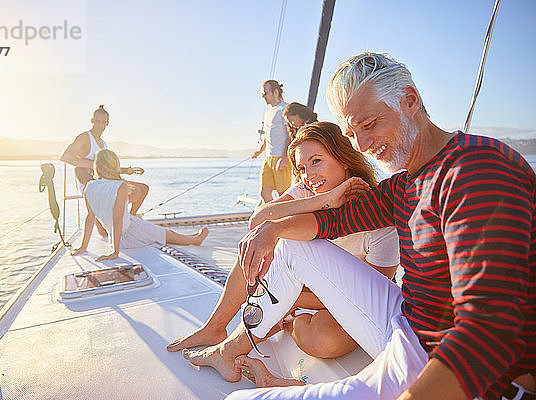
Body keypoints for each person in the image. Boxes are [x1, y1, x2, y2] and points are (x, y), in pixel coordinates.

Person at [183, 52, 535, 400]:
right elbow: (333, 221)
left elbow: (488, 331)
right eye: (352, 135)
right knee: (292, 241)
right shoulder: (407, 182)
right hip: (409, 321)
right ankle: (230, 346)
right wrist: (272, 229)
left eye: (370, 125)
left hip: (449, 360)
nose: (364, 146)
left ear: (409, 100)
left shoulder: (477, 171)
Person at [170, 122, 399, 364]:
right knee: (255, 242)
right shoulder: (307, 190)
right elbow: (258, 220)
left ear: (344, 159)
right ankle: (215, 327)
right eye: (301, 168)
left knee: (322, 341)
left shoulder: (379, 218)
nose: (308, 176)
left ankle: (286, 322)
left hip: (348, 300)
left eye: (316, 161)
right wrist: (325, 199)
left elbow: (370, 300)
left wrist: (292, 299)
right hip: (305, 286)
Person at [71, 149, 208, 261]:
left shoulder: (89, 186)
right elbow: (117, 220)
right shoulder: (121, 186)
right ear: (115, 165)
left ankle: (191, 236)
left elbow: (90, 218)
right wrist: (115, 251)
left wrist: (84, 247)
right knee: (169, 235)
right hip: (129, 235)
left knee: (164, 232)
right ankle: (195, 240)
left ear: (97, 167)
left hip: (118, 234)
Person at [60, 105, 144, 237]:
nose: (99, 125)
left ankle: (127, 219)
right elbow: (65, 157)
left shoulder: (103, 144)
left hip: (104, 182)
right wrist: (93, 165)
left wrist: (126, 170)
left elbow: (105, 168)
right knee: (104, 233)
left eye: (103, 122)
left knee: (142, 190)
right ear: (92, 120)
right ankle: (117, 222)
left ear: (107, 123)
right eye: (97, 121)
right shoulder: (85, 137)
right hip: (92, 185)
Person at [251, 80, 291, 202]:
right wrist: (260, 151)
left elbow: (290, 135)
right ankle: (275, 218)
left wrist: (285, 158)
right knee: (264, 194)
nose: (263, 96)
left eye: (265, 93)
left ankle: (286, 220)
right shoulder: (268, 111)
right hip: (268, 158)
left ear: (275, 92)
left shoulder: (285, 109)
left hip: (281, 157)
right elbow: (267, 135)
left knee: (283, 195)